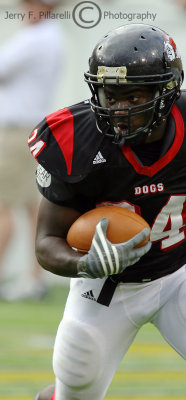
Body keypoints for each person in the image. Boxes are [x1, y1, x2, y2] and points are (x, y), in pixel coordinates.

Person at [29, 24, 186, 400]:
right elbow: (46, 242)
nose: (117, 109)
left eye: (132, 96)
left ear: (166, 91)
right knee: (73, 392)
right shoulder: (75, 139)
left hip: (181, 273)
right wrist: (86, 265)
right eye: (109, 95)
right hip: (105, 288)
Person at [0, 0, 64, 300]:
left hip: (15, 132)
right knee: (30, 207)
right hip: (31, 129)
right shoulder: (51, 36)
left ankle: (25, 277)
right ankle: (34, 278)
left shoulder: (36, 37)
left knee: (5, 208)